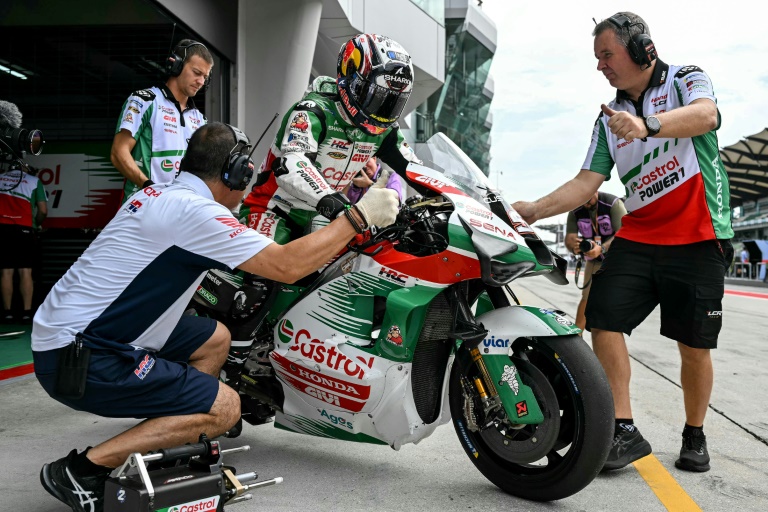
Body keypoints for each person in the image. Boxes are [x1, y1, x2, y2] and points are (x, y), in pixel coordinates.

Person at [33, 122, 400, 512]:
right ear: (236, 172)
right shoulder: (196, 213)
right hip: (79, 358)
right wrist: (359, 217)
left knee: (216, 339)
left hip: (72, 333)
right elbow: (288, 266)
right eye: (250, 172)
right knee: (226, 408)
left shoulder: (162, 193)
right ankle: (82, 469)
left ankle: (182, 440)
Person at [512, 12, 734, 473]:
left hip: (699, 237)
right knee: (602, 320)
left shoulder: (686, 80)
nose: (601, 66)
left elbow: (706, 115)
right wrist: (533, 210)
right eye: (597, 58)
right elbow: (584, 181)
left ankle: (695, 433)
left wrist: (648, 125)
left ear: (640, 50)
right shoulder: (608, 119)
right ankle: (624, 429)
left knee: (694, 347)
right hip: (640, 237)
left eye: (607, 55)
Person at [239, 33, 421, 244]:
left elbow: (417, 171)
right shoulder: (314, 110)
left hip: (327, 217)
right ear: (351, 77)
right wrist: (343, 207)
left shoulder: (386, 130)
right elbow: (291, 165)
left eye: (392, 102)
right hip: (274, 209)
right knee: (267, 271)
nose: (382, 110)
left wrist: (453, 202)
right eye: (377, 96)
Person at [110, 39, 212, 203]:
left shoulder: (200, 119)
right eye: (197, 72)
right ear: (177, 65)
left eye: (205, 77)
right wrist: (149, 188)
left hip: (181, 210)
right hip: (143, 205)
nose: (201, 81)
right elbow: (118, 153)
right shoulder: (144, 101)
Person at [565, 190, 626, 330]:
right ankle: (577, 335)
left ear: (596, 189)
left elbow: (623, 233)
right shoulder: (575, 211)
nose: (586, 202)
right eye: (582, 199)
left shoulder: (613, 204)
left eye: (588, 198)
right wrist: (573, 247)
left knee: (612, 299)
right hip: (594, 259)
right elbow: (570, 239)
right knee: (587, 297)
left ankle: (609, 331)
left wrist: (602, 248)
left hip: (617, 259)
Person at [0, 164, 47, 323]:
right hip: (25, 228)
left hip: (3, 228)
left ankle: (7, 313)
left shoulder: (0, 178)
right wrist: (37, 223)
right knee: (25, 271)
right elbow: (43, 211)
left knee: (6, 272)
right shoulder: (34, 181)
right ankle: (27, 313)